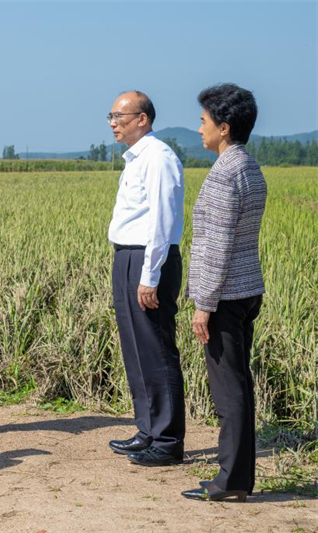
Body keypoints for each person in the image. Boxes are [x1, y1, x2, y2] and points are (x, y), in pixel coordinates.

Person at [182, 84, 267, 502]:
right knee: (240, 384)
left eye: (204, 121)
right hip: (247, 287)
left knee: (229, 390)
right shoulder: (249, 166)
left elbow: (216, 247)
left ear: (224, 127)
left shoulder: (222, 175)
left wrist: (204, 305)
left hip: (226, 295)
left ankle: (230, 481)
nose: (200, 129)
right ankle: (237, 476)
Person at [106, 91, 187, 466]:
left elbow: (161, 221)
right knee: (136, 348)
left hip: (148, 259)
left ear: (143, 119)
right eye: (110, 116)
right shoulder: (135, 159)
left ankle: (168, 440)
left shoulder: (158, 157)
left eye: (120, 116)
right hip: (128, 256)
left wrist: (149, 275)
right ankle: (148, 429)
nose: (113, 123)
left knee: (155, 348)